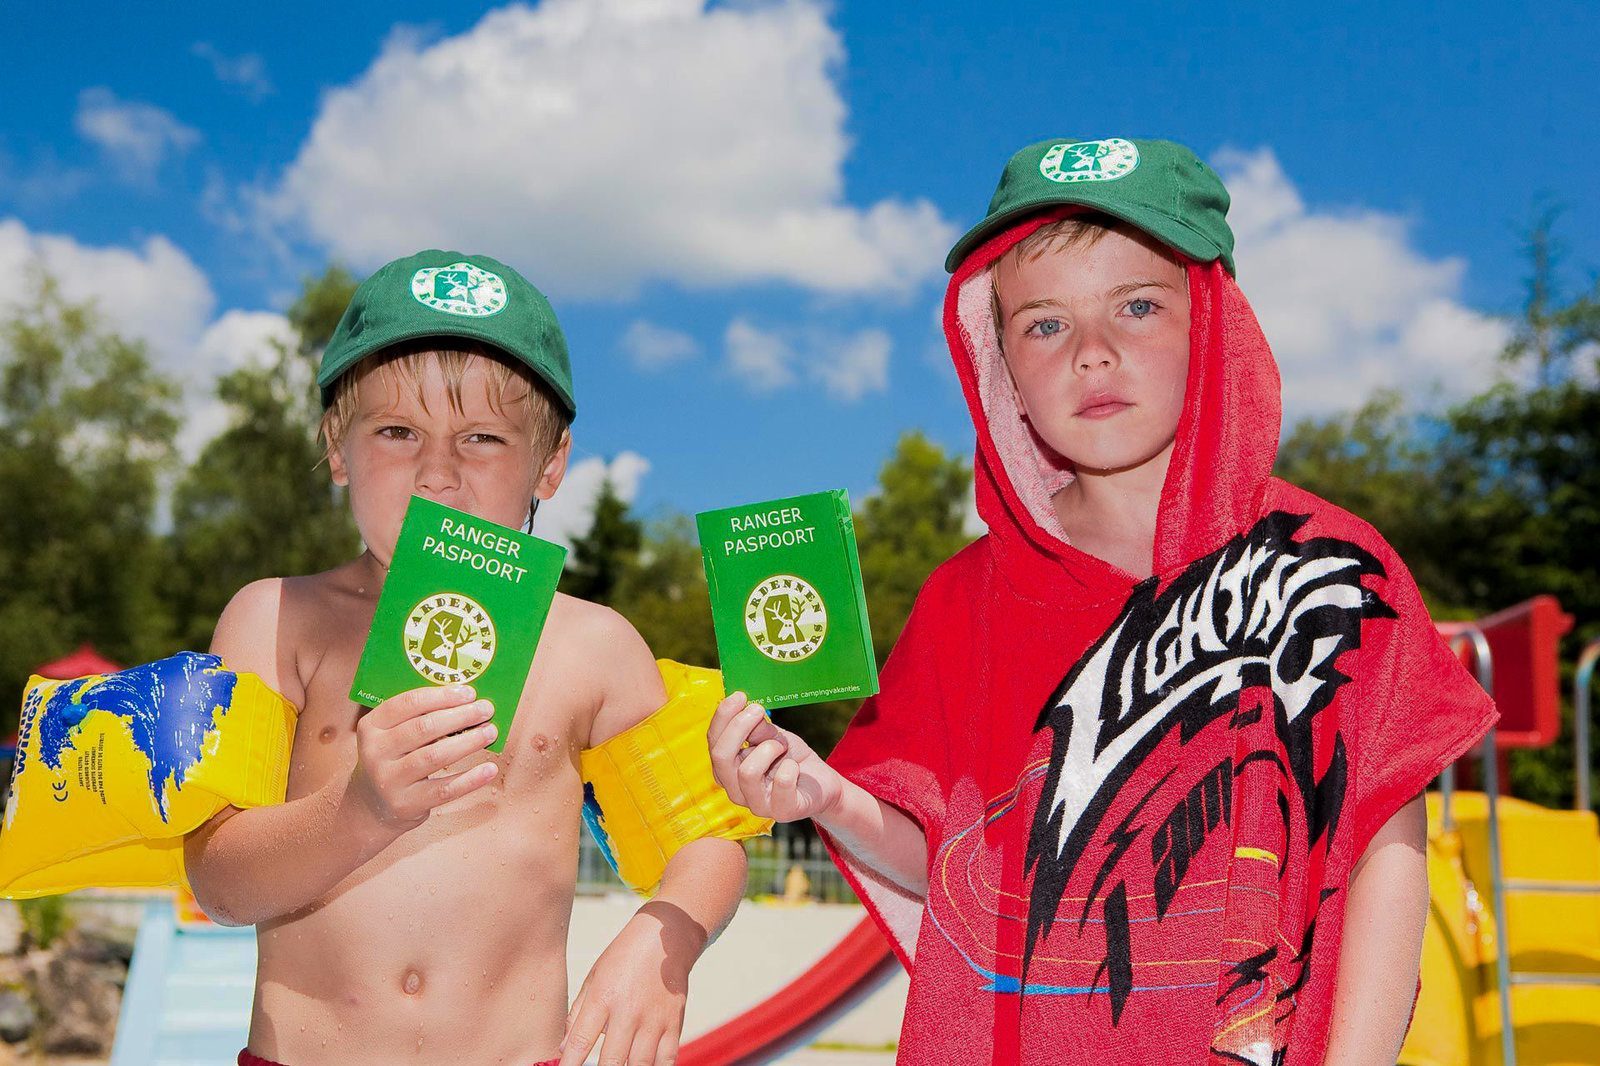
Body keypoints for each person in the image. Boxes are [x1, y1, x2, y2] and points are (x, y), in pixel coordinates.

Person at [709, 138, 1497, 1064]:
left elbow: (1382, 853)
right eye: (1044, 323)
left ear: (1212, 322)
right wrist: (824, 794)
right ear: (996, 362)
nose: (1093, 352)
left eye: (1138, 305)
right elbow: (962, 877)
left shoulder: (1329, 571)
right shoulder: (965, 603)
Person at [185, 250, 748, 1066]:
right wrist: (361, 810)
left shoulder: (592, 647)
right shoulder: (275, 622)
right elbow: (220, 883)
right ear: (337, 448)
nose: (438, 469)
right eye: (396, 431)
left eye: (482, 436)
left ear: (550, 464)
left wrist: (666, 938)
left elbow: (705, 841)